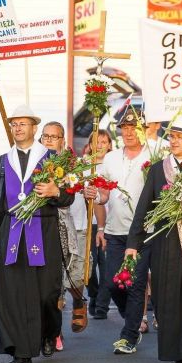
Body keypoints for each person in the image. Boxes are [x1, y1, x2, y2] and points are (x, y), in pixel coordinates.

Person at [0, 105, 74, 363]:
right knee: (11, 294)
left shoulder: (52, 159)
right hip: (11, 232)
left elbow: (68, 197)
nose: (18, 128)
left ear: (34, 128)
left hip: (43, 230)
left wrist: (56, 191)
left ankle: (49, 332)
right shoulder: (3, 160)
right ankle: (20, 350)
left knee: (46, 294)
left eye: (23, 123)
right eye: (14, 124)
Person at [126, 114, 182, 363]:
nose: (174, 141)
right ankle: (172, 349)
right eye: (172, 136)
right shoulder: (157, 169)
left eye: (179, 137)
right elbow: (143, 210)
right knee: (166, 297)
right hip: (165, 243)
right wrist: (133, 243)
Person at [84, 107, 151, 355]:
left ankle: (129, 336)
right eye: (125, 128)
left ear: (142, 130)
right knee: (113, 284)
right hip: (115, 231)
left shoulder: (153, 155)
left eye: (134, 128)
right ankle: (131, 318)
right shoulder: (111, 158)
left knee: (135, 284)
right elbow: (103, 194)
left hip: (144, 232)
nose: (129, 132)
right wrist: (95, 196)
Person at [39, 122, 88, 354]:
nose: (49, 140)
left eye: (54, 137)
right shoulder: (35, 164)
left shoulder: (74, 166)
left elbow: (84, 191)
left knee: (75, 278)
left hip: (73, 226)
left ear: (62, 141)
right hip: (45, 229)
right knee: (54, 283)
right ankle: (54, 332)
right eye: (45, 136)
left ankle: (79, 301)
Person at [84, 129, 113, 317]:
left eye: (104, 141)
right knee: (89, 263)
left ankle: (102, 305)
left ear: (110, 145)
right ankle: (93, 293)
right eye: (97, 141)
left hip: (109, 221)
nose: (101, 145)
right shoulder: (84, 167)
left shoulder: (113, 164)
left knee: (106, 264)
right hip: (88, 222)